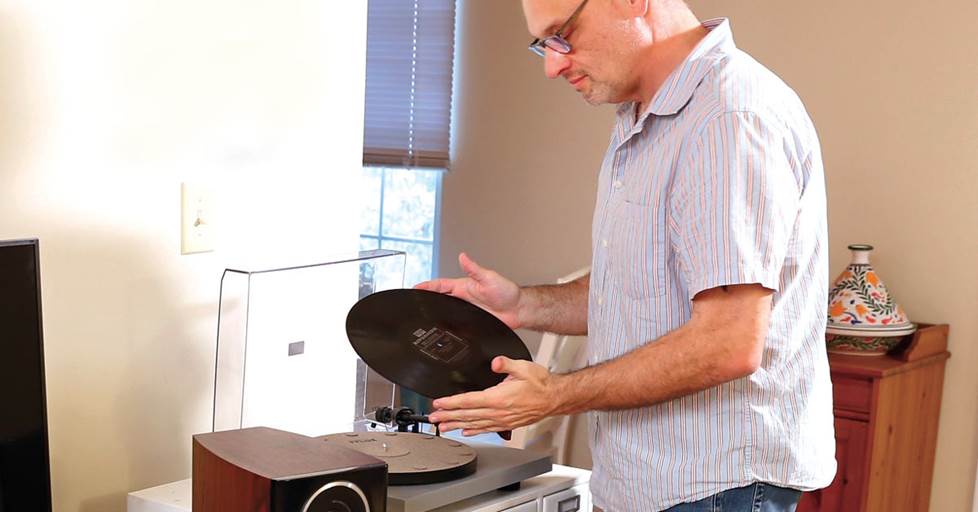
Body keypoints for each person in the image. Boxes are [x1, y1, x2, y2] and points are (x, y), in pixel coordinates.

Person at [419, 0, 837, 510]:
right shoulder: (643, 114)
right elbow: (643, 290)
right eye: (543, 45)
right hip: (648, 480)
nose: (553, 65)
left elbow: (728, 342)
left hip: (714, 488)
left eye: (563, 34)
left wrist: (553, 394)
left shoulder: (729, 117)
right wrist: (524, 305)